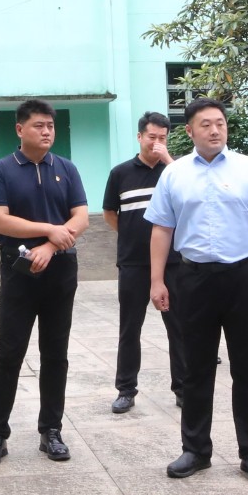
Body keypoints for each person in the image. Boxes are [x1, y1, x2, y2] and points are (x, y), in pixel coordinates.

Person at [146, 98, 248, 484]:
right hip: (193, 280)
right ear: (189, 131)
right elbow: (161, 229)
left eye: (220, 123)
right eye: (205, 124)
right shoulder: (174, 175)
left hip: (243, 277)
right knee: (195, 368)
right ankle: (195, 450)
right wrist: (157, 280)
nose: (214, 130)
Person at [0, 99, 89, 467]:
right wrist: (48, 230)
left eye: (50, 126)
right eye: (39, 125)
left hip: (61, 271)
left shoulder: (67, 168)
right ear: (20, 129)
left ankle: (51, 431)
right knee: (9, 353)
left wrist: (50, 245)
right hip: (19, 271)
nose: (46, 132)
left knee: (55, 354)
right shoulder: (1, 170)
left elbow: (81, 217)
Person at [102, 112, 184, 414]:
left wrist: (169, 161)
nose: (157, 142)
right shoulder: (121, 173)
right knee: (130, 328)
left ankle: (183, 388)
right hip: (133, 263)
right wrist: (130, 236)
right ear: (140, 137)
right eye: (152, 137)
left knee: (178, 327)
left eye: (162, 137)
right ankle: (126, 390)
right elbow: (110, 213)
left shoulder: (175, 171)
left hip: (173, 262)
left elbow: (190, 194)